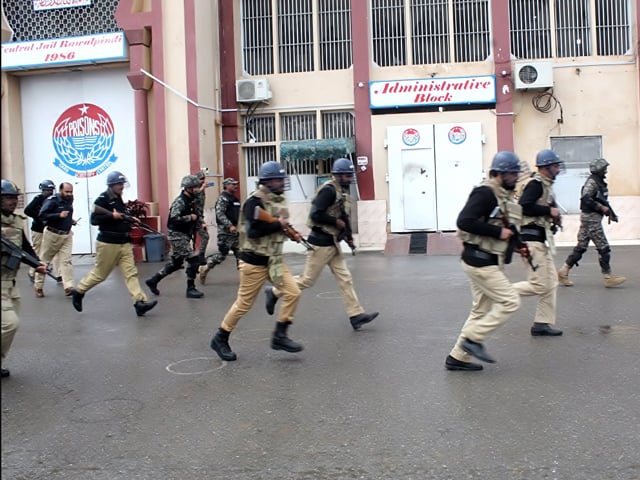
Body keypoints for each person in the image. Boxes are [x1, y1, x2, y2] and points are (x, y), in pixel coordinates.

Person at [264, 158, 378, 330]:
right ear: (338, 175)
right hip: (320, 242)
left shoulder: (342, 193)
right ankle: (274, 292)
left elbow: (343, 217)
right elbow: (316, 214)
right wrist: (336, 222)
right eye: (346, 176)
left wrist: (348, 236)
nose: (349, 179)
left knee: (345, 278)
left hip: (333, 243)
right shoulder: (328, 191)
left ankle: (355, 315)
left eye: (350, 175)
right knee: (307, 280)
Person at [209, 161, 303, 362]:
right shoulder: (254, 201)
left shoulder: (277, 200)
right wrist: (278, 224)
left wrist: (291, 232)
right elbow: (253, 232)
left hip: (274, 260)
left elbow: (277, 224)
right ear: (267, 181)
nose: (281, 182)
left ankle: (280, 336)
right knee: (244, 304)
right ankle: (220, 337)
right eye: (277, 179)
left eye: (281, 179)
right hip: (253, 261)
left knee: (294, 292)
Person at [445, 151, 523, 372]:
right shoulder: (486, 193)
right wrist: (498, 233)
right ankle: (473, 339)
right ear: (501, 173)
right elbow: (464, 221)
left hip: (484, 259)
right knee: (511, 301)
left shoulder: (500, 196)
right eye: (513, 173)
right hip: (480, 261)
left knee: (480, 311)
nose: (516, 177)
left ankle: (457, 357)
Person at [70, 171, 157, 317]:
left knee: (131, 273)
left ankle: (139, 302)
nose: (122, 186)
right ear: (111, 185)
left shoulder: (118, 199)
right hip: (108, 243)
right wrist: (112, 216)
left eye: (122, 183)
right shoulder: (102, 199)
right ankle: (79, 291)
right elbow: (94, 220)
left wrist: (130, 219)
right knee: (100, 274)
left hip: (124, 242)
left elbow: (121, 217)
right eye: (119, 184)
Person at [513, 149, 564, 336]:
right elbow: (525, 206)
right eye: (556, 166)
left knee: (552, 282)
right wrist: (549, 212)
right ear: (546, 167)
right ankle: (499, 292)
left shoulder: (545, 186)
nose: (559, 170)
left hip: (541, 241)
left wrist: (553, 217)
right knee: (540, 285)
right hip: (532, 241)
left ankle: (542, 323)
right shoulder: (535, 184)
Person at [1, 179, 48, 378]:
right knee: (10, 323)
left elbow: (24, 248)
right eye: (8, 198)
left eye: (14, 198)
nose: (12, 202)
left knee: (12, 324)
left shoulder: (17, 221)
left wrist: (37, 263)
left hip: (11, 282)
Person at [557, 158, 625, 288]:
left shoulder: (599, 182)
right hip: (591, 219)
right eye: (604, 169)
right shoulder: (592, 182)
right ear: (598, 170)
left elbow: (603, 201)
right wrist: (601, 208)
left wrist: (611, 213)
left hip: (590, 218)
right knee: (604, 247)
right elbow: (586, 198)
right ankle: (608, 277)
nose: (605, 171)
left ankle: (563, 271)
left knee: (581, 247)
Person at [145, 175, 205, 299]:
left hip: (184, 234)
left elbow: (197, 213)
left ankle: (153, 280)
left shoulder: (191, 200)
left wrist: (200, 222)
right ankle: (191, 288)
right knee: (193, 259)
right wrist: (190, 218)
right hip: (177, 235)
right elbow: (174, 219)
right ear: (187, 188)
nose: (197, 189)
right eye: (194, 187)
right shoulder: (180, 201)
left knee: (176, 263)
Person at [34, 182, 76, 297]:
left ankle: (68, 286)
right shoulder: (52, 200)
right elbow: (42, 215)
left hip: (66, 235)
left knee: (66, 261)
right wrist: (58, 215)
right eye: (67, 191)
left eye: (71, 191)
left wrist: (70, 220)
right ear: (61, 190)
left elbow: (67, 213)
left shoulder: (70, 199)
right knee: (44, 261)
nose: (69, 194)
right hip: (52, 234)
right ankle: (38, 286)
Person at [199, 177, 241, 284]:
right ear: (226, 186)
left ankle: (244, 276)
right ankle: (206, 267)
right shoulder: (223, 198)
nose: (235, 186)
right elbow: (220, 213)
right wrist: (229, 225)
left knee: (240, 253)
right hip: (225, 232)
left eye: (236, 184)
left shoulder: (234, 199)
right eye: (233, 184)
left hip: (235, 231)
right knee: (222, 255)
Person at [24, 179, 61, 283]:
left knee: (53, 251)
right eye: (47, 190)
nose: (49, 192)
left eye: (51, 190)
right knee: (37, 252)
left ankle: (59, 274)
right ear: (42, 190)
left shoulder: (54, 200)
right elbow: (27, 210)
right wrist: (39, 217)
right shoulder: (38, 199)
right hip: (38, 230)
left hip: (50, 229)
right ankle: (32, 272)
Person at [193, 170, 211, 265]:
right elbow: (195, 202)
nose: (203, 181)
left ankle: (199, 256)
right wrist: (202, 189)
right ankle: (198, 256)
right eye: (201, 179)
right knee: (205, 236)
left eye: (204, 179)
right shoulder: (195, 189)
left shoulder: (201, 190)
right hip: (193, 217)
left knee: (204, 236)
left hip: (199, 217)